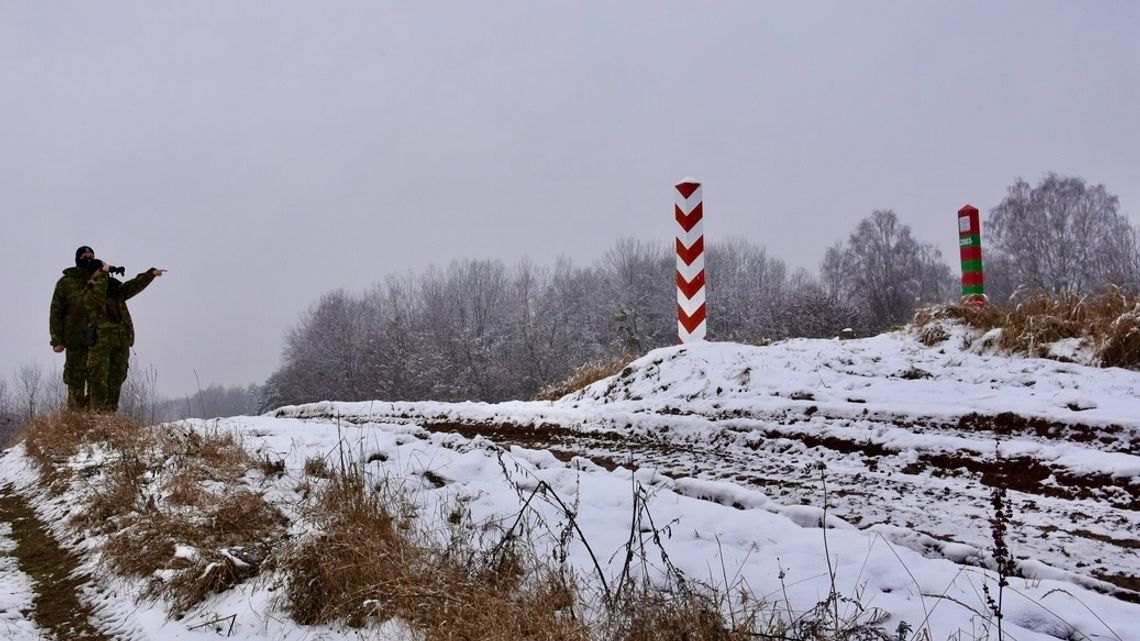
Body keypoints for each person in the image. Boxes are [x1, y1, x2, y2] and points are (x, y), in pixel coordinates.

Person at [82, 260, 167, 412]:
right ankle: (95, 418)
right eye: (100, 270)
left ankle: (109, 418)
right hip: (100, 344)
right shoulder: (88, 291)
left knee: (116, 379)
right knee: (98, 381)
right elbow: (98, 299)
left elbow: (132, 286)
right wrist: (102, 276)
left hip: (120, 342)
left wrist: (150, 275)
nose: (104, 273)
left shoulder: (115, 290)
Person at [49, 245, 99, 408]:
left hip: (99, 340)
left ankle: (96, 420)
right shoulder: (66, 282)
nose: (88, 258)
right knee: (76, 380)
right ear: (78, 259)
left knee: (97, 380)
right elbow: (56, 312)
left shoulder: (101, 279)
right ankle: (75, 420)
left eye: (91, 255)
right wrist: (56, 340)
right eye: (84, 255)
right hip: (75, 339)